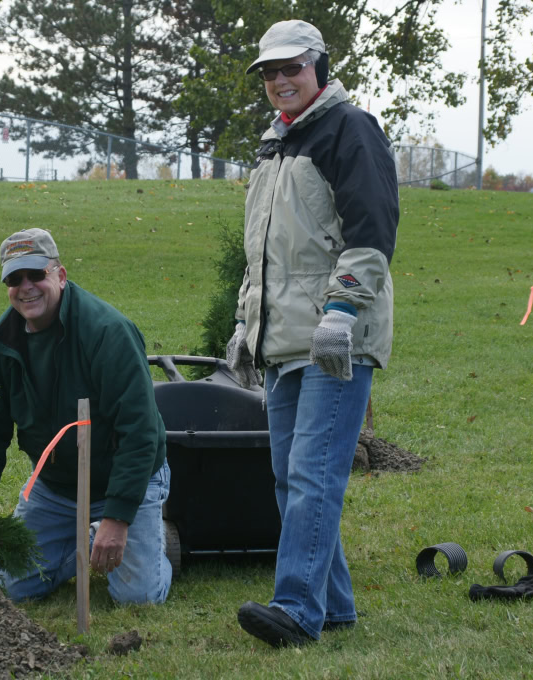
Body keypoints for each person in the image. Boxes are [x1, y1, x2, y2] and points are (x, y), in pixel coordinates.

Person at [225, 19, 399, 647]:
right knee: (289, 475)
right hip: (284, 344)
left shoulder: (351, 130)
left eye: (291, 68)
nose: (280, 80)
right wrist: (246, 327)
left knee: (312, 474)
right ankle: (336, 605)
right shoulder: (275, 147)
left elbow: (372, 233)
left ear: (320, 67)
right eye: (270, 72)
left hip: (333, 342)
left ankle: (297, 610)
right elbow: (264, 258)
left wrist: (342, 315)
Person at [0, 227, 172, 605]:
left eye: (36, 275)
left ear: (60, 275)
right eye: (15, 279)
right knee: (10, 589)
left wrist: (118, 516)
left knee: (137, 597)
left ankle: (150, 539)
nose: (26, 286)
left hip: (127, 477)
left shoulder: (108, 332)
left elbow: (141, 432)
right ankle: (87, 539)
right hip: (56, 487)